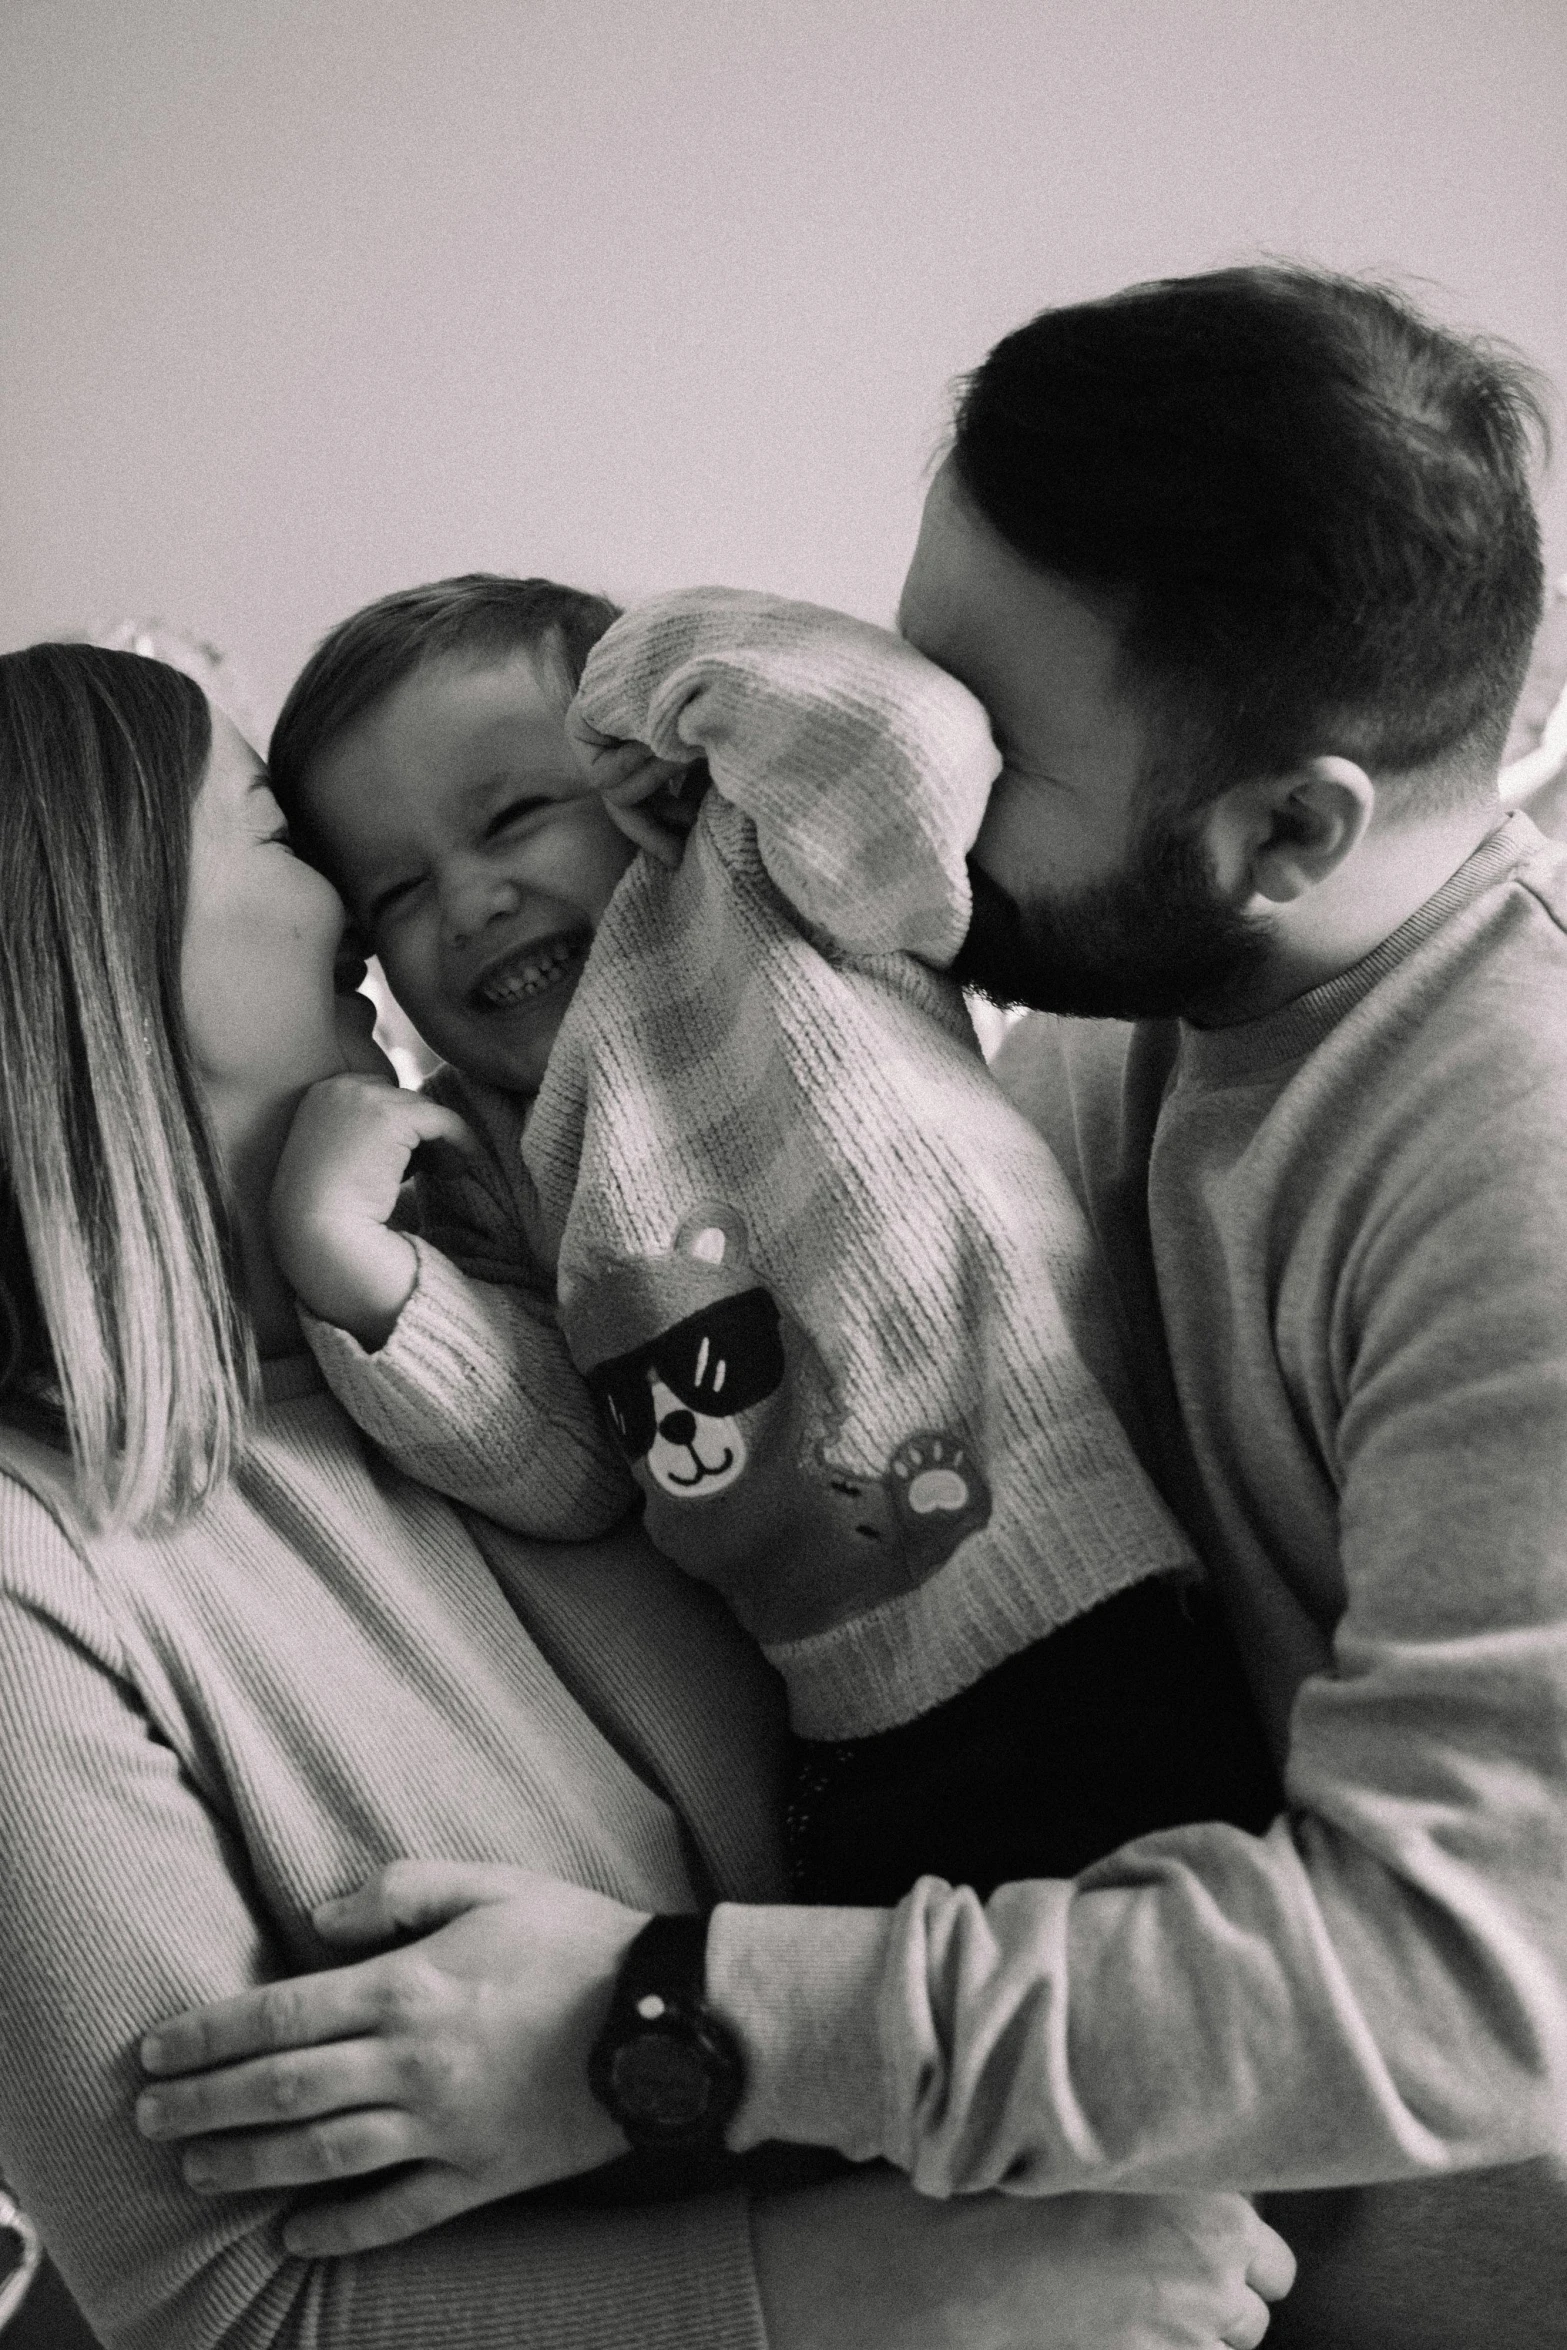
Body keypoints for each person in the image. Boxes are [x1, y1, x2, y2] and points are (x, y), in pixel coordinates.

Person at [142, 265, 1567, 2348]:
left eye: (991, 738)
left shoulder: (1508, 1165)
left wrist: (659, 2021)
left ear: (1283, 827)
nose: (906, 757)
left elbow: (1469, 1984)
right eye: (908, 671)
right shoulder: (1109, 1032)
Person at [0, 640, 1292, 2350]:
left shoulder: (532, 1282)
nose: (387, 918)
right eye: (284, 833)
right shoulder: (39, 1577)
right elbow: (227, 2309)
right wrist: (897, 2282)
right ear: (105, 936)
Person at [255, 572, 1277, 1909]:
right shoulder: (477, 1148)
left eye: (512, 815)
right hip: (844, 1734)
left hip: (1093, 1611)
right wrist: (361, 1268)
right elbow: (570, 1469)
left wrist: (649, 680)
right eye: (394, 894)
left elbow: (908, 747)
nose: (472, 901)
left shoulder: (757, 880)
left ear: (634, 772)